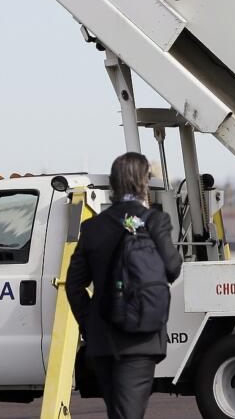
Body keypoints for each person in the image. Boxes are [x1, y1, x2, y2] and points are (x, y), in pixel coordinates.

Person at [66, 152, 182, 419]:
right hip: (141, 340)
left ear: (114, 184)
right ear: (143, 182)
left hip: (102, 341)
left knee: (119, 412)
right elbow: (173, 267)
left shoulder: (93, 227)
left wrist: (89, 321)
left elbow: (74, 284)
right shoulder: (154, 221)